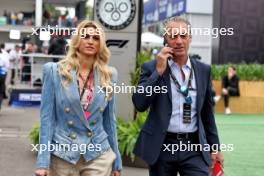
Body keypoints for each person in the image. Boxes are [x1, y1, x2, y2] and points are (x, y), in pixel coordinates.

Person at [132, 17, 224, 176]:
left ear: (190, 38)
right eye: (173, 36)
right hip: (162, 146)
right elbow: (140, 103)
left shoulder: (203, 70)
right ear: (165, 40)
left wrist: (215, 147)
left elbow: (208, 113)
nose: (179, 41)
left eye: (183, 35)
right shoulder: (151, 68)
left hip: (193, 146)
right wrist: (158, 72)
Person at [35, 20, 122, 176]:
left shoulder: (109, 75)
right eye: (85, 36)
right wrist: (43, 162)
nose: (90, 41)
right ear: (77, 40)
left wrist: (117, 161)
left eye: (96, 38)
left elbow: (109, 120)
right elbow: (47, 119)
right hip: (64, 154)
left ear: (101, 43)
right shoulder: (54, 72)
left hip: (98, 153)